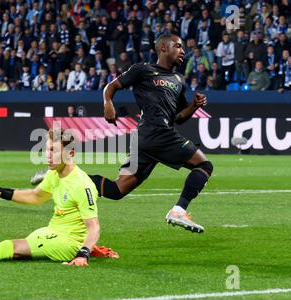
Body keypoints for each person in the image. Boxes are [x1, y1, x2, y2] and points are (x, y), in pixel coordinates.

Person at [31, 34, 212, 233]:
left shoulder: (178, 80)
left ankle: (59, 175)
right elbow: (112, 86)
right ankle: (179, 210)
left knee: (117, 190)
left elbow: (179, 117)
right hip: (155, 132)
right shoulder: (143, 70)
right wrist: (108, 103)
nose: (182, 51)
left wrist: (194, 106)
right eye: (178, 46)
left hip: (146, 139)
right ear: (163, 47)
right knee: (204, 165)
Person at [0, 128, 119, 264]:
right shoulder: (54, 174)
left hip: (67, 242)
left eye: (53, 150)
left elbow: (93, 227)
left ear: (70, 154)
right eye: (47, 149)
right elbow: (35, 196)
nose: (47, 155)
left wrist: (82, 254)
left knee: (11, 247)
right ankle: (93, 249)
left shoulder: (82, 184)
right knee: (26, 243)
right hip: (52, 231)